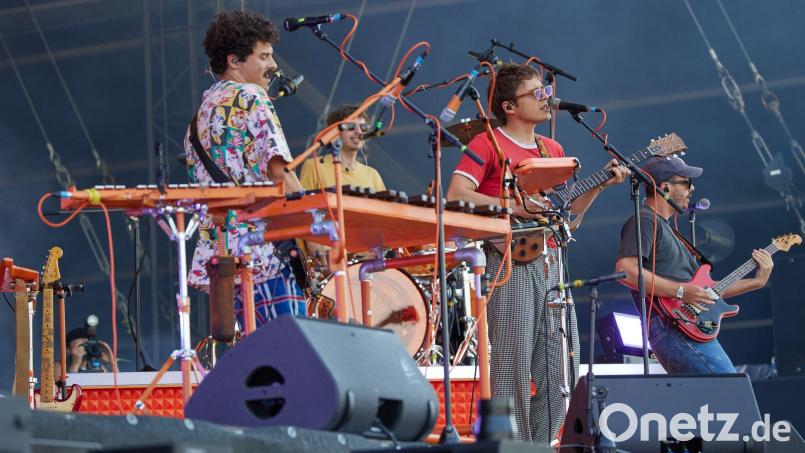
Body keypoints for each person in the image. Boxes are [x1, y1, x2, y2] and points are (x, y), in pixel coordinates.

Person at [446, 63, 629, 444]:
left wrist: (598, 187)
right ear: (510, 106)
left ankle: (544, 446)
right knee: (512, 364)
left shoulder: (552, 149)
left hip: (552, 260)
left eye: (546, 91)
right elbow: (456, 195)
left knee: (562, 368)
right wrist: (514, 206)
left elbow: (568, 214)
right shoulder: (487, 143)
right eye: (537, 93)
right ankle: (513, 448)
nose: (547, 98)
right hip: (508, 261)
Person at [184, 10, 306, 325]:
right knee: (293, 348)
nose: (274, 65)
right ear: (234, 61)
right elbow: (281, 173)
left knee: (259, 351)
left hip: (224, 259)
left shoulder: (197, 121)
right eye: (264, 56)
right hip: (265, 253)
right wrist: (315, 227)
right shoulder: (251, 97)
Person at [614, 156, 774, 373]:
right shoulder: (644, 220)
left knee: (718, 392)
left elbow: (707, 292)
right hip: (673, 325)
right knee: (731, 388)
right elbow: (626, 270)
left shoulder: (666, 228)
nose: (692, 188)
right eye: (687, 182)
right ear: (665, 187)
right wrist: (681, 291)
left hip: (684, 326)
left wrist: (757, 282)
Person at [299, 103, 386, 192]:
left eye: (363, 127)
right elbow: (304, 200)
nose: (359, 131)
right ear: (334, 133)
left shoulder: (373, 175)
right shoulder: (314, 167)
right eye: (351, 126)